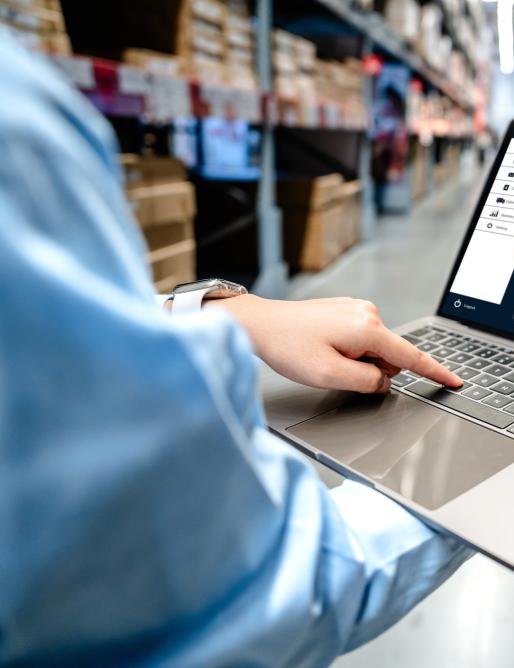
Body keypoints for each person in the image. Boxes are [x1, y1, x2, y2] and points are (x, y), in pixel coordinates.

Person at [0, 32, 473, 666]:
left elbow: (57, 324)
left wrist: (227, 309)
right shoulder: (15, 124)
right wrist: (461, 477)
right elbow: (245, 601)